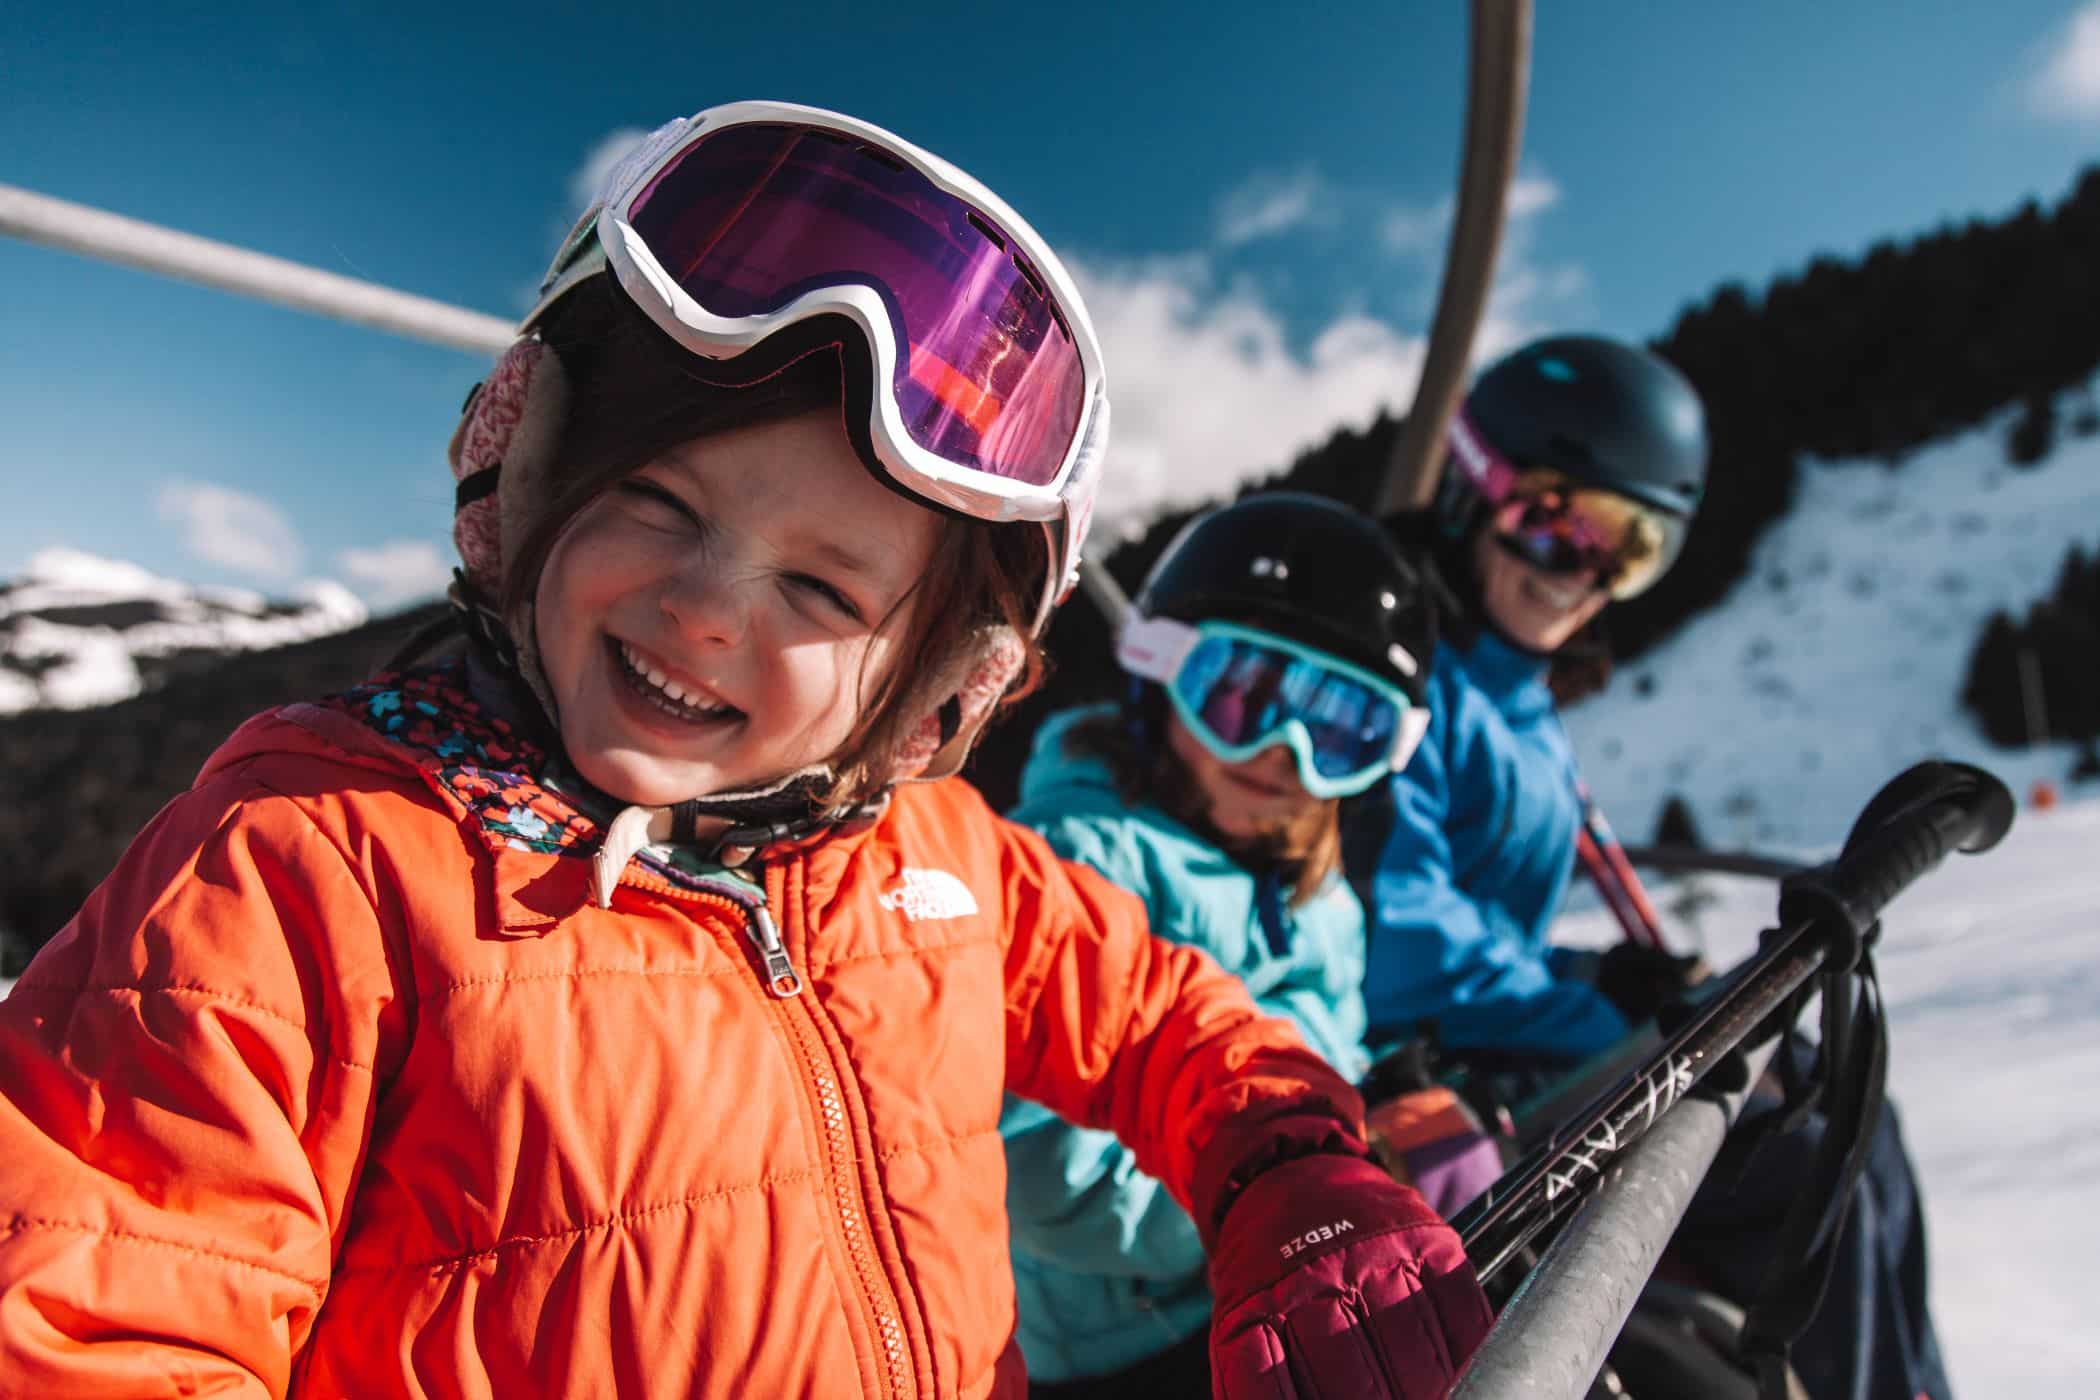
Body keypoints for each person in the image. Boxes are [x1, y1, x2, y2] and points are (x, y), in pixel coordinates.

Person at [0, 103, 1492, 1398]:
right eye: (658, 501)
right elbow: (98, 1314)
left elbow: (1171, 1018)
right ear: (526, 473)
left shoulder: (938, 863)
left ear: (932, 685)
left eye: (824, 590)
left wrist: (1290, 1174)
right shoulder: (311, 867)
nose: (706, 611)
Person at [1345, 333, 1951, 1400]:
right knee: (1815, 1156)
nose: (1577, 570)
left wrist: (1601, 980)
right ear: (1478, 484)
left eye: (1627, 547)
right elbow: (1397, 939)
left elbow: (1491, 924)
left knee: (1852, 1106)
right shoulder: (1407, 667)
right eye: (1553, 519)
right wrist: (1613, 1022)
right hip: (1425, 1065)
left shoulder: (1519, 690)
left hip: (1501, 1031)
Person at [999, 494, 1503, 1396]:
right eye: (1242, 697)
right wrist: (1267, 1207)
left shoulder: (1322, 897)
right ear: (1160, 674)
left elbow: (1322, 1039)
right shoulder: (1080, 859)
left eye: (1341, 729)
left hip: (1267, 1287)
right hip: (1110, 1350)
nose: (1283, 752)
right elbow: (1040, 1170)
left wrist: (1382, 1097)